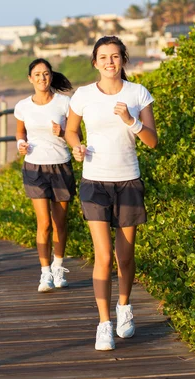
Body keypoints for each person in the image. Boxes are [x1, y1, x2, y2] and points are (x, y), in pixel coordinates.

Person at [64, 36, 158, 350]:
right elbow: (71, 130)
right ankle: (104, 323)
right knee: (103, 256)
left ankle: (124, 307)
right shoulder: (84, 95)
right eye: (103, 57)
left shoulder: (138, 93)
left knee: (125, 256)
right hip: (94, 182)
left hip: (128, 181)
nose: (109, 62)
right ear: (95, 62)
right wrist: (76, 147)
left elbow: (152, 141)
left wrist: (130, 121)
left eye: (115, 56)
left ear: (123, 60)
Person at [14, 58, 79, 292]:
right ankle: (45, 274)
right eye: (37, 74)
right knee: (43, 223)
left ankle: (59, 267)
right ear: (30, 78)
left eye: (46, 74)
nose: (42, 78)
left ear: (51, 76)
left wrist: (62, 132)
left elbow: (76, 133)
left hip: (60, 165)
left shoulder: (64, 102)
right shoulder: (22, 106)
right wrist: (21, 143)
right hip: (34, 167)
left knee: (59, 222)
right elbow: (20, 131)